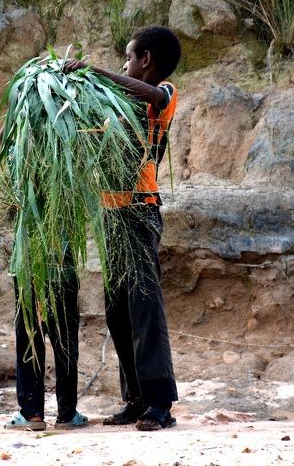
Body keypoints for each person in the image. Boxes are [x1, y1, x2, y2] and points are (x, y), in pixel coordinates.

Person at [64, 25, 182, 431]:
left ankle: (159, 404)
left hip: (139, 210)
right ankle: (134, 398)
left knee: (144, 307)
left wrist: (93, 71)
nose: (124, 65)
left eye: (128, 58)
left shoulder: (162, 93)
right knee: (117, 312)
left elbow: (150, 94)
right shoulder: (117, 101)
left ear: (145, 60)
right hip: (111, 214)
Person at [3, 244, 87, 431]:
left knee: (30, 339)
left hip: (28, 271)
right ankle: (67, 414)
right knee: (65, 341)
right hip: (62, 271)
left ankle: (31, 413)